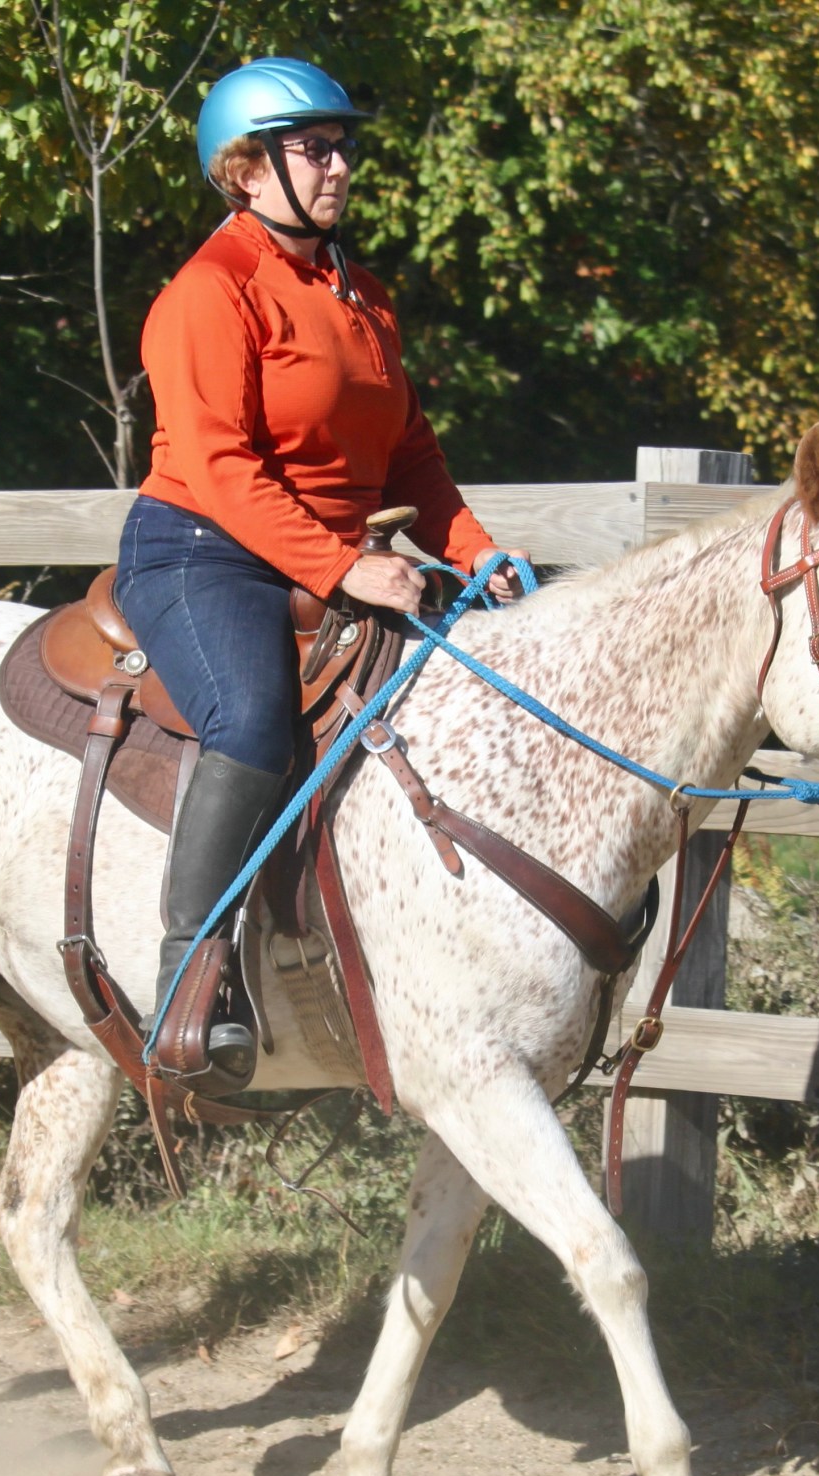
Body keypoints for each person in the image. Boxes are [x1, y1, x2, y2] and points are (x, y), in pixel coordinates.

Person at [118, 56, 526, 1090]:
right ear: (245, 169)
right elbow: (219, 467)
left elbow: (413, 459)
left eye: (344, 145)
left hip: (332, 561)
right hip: (204, 552)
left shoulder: (360, 291)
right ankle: (188, 985)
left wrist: (478, 552)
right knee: (253, 722)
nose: (341, 163)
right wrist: (349, 567)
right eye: (315, 147)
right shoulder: (210, 292)